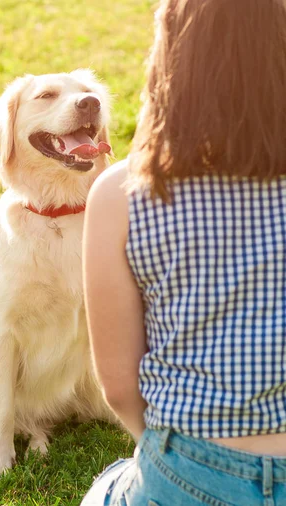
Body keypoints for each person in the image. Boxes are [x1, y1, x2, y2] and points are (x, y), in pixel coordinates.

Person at [81, 0, 286, 504]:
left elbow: (120, 389)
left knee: (107, 487)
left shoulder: (121, 194)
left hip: (188, 468)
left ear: (172, 59)